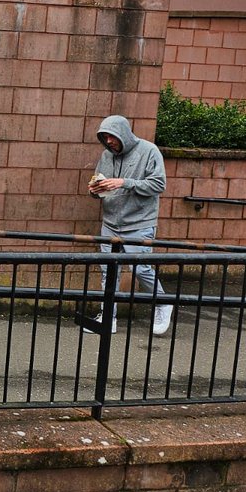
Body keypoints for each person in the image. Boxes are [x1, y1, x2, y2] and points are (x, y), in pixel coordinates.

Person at [85, 114, 173, 336]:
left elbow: (159, 184)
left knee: (140, 267)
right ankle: (108, 318)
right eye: (105, 137)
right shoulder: (106, 155)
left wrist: (125, 182)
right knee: (108, 271)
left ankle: (163, 303)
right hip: (111, 222)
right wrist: (96, 190)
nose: (109, 141)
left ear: (123, 133)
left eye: (112, 136)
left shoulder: (149, 151)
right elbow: (103, 185)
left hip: (139, 223)